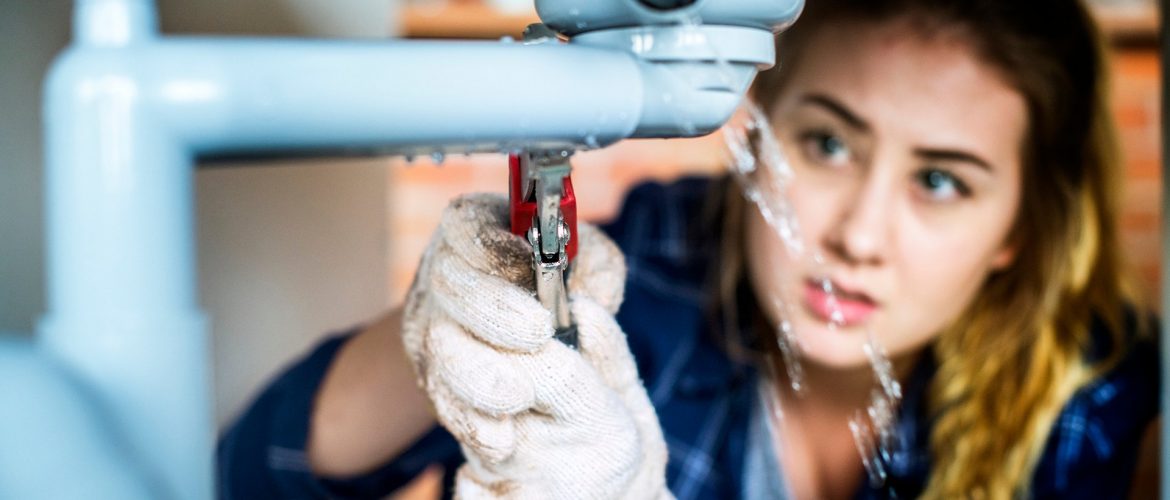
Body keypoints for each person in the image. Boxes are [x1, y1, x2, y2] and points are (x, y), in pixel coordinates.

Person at [217, 0, 1160, 498]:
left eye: (940, 180)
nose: (857, 236)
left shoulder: (1087, 390)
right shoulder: (661, 262)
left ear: (1020, 231)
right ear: (755, 129)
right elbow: (254, 474)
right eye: (828, 143)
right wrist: (435, 334)